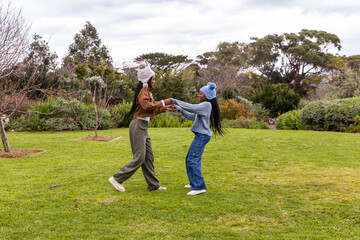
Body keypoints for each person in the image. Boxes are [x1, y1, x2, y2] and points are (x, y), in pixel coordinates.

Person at [109, 63, 171, 192]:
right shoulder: (143, 92)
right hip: (137, 126)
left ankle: (153, 185)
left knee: (148, 157)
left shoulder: (147, 91)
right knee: (140, 157)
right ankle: (117, 178)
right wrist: (164, 101)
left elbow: (149, 111)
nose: (154, 81)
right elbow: (147, 106)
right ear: (147, 79)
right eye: (153, 78)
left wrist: (165, 108)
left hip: (143, 126)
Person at [169, 83, 224, 195]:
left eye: (200, 93)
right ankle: (194, 182)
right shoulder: (205, 106)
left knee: (192, 159)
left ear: (207, 95)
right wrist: (179, 109)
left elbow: (192, 108)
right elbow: (192, 116)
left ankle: (199, 187)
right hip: (201, 135)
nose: (198, 95)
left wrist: (175, 101)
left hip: (202, 136)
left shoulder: (206, 105)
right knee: (190, 158)